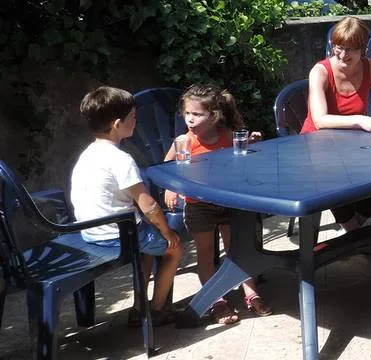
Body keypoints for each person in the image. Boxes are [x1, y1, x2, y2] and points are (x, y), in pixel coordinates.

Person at [69, 86, 184, 326]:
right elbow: (149, 205)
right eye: (133, 117)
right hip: (116, 235)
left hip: (90, 232)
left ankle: (138, 307)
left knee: (148, 245)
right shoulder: (121, 160)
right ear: (117, 124)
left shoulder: (88, 154)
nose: (136, 121)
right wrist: (167, 232)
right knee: (173, 248)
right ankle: (158, 310)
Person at [162, 84, 271, 325]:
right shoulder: (185, 141)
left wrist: (250, 142)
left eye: (197, 114)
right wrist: (171, 187)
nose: (190, 119)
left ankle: (250, 292)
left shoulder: (227, 135)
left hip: (227, 201)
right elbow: (166, 167)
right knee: (206, 254)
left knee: (236, 249)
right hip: (199, 205)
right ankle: (216, 300)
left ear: (214, 116)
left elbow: (240, 157)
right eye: (187, 113)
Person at [302, 16, 371, 232]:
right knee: (332, 179)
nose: (342, 54)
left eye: (350, 49)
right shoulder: (320, 71)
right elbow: (320, 120)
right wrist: (361, 120)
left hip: (352, 146)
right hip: (317, 147)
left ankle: (356, 229)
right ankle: (356, 232)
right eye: (338, 47)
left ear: (363, 49)